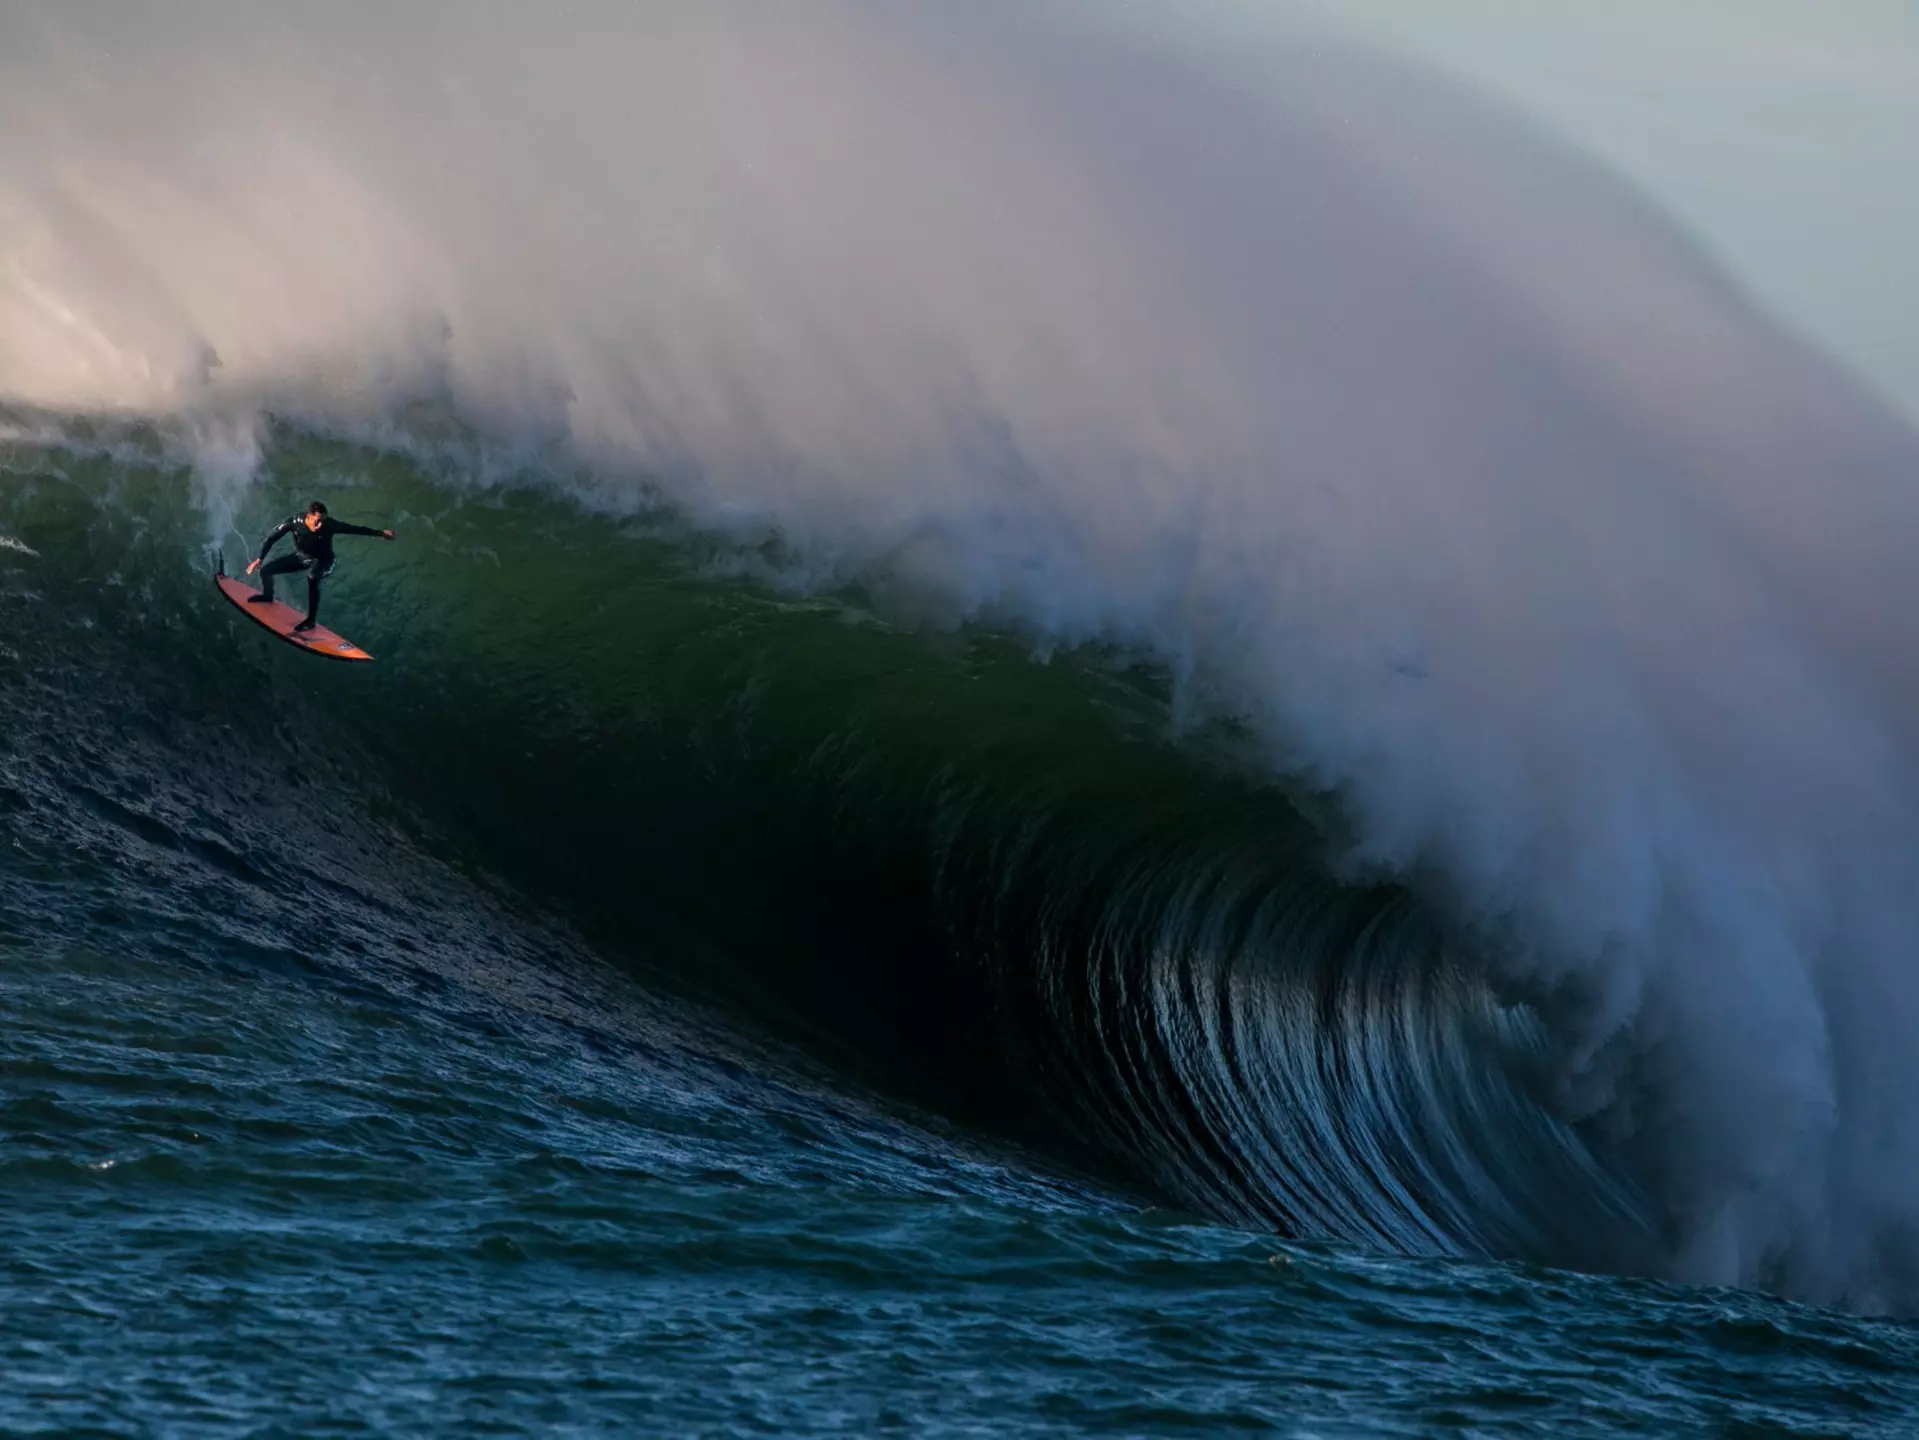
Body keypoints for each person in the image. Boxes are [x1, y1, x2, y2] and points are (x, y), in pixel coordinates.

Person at [246, 500, 396, 632]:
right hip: (302, 558)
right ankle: (267, 596)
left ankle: (310, 622)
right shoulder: (293, 523)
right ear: (308, 516)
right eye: (317, 521)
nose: (321, 525)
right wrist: (259, 559)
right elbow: (272, 538)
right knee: (265, 570)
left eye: (323, 520)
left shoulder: (329, 525)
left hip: (325, 560)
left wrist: (381, 533)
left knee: (312, 578)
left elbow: (353, 529)